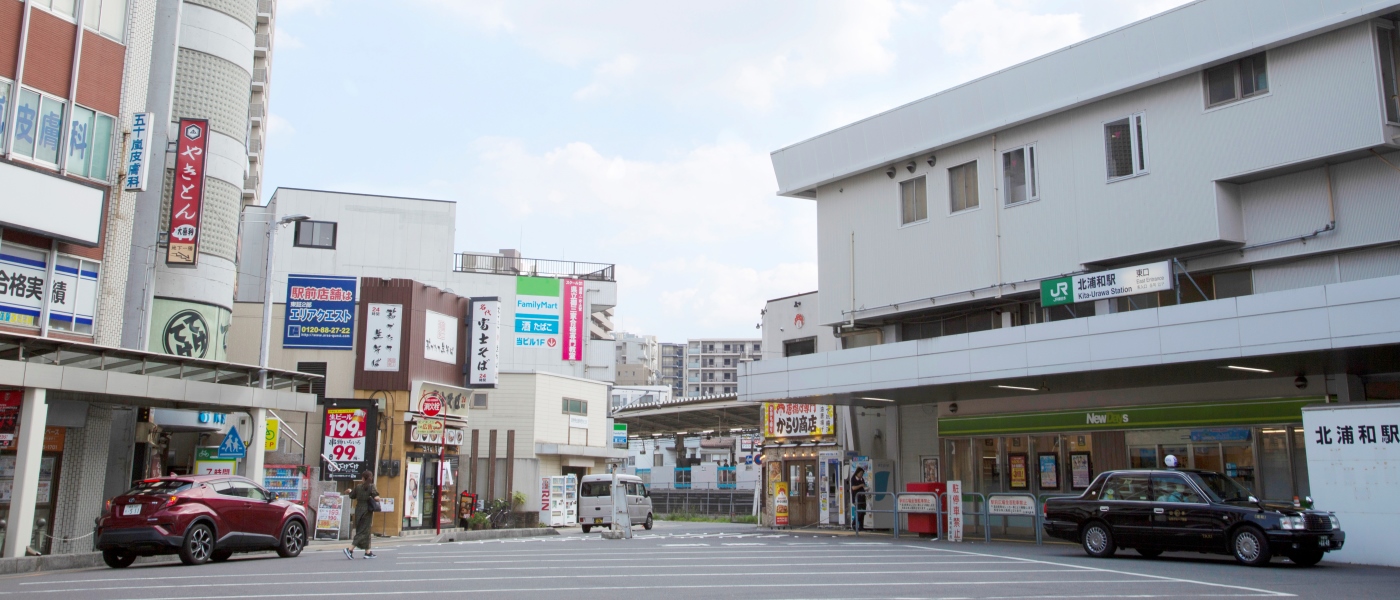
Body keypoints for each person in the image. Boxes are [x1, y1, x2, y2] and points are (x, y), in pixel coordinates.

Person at [344, 470, 380, 560]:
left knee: (365, 531)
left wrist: (349, 491)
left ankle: (367, 552)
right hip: (367, 511)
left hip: (358, 510)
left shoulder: (358, 487)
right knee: (363, 532)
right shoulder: (371, 487)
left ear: (363, 478)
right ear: (370, 478)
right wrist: (376, 497)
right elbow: (376, 498)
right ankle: (350, 549)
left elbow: (352, 495)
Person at [849, 467, 868, 533]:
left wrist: (866, 489)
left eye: (862, 474)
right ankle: (854, 524)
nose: (861, 475)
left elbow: (864, 486)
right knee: (859, 512)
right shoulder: (853, 478)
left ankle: (861, 526)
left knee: (863, 512)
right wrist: (861, 485)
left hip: (862, 497)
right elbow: (853, 488)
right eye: (860, 473)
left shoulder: (862, 479)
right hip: (856, 498)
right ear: (857, 473)